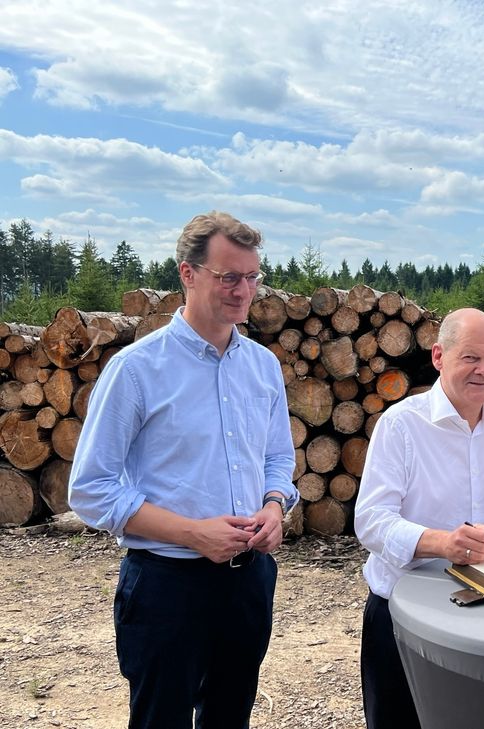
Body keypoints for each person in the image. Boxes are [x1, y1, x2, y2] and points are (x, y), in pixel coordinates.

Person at [69, 212, 298, 728]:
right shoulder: (136, 369)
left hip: (249, 580)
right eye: (229, 277)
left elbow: (278, 458)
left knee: (229, 716)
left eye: (253, 276)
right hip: (167, 585)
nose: (244, 290)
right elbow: (90, 489)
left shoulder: (262, 366)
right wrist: (193, 534)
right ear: (187, 274)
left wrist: (274, 505)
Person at [354, 307, 484, 729]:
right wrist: (441, 543)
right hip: (401, 615)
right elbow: (371, 520)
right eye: (470, 357)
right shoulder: (401, 426)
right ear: (437, 357)